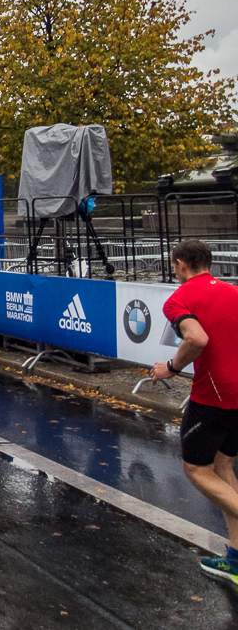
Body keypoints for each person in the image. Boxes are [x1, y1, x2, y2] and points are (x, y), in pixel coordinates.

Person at [149, 239, 238, 586]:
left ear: (181, 264)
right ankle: (235, 559)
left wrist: (170, 367)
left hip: (214, 396)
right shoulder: (232, 292)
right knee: (223, 467)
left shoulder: (180, 299)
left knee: (195, 469)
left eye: (174, 266)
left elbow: (197, 338)